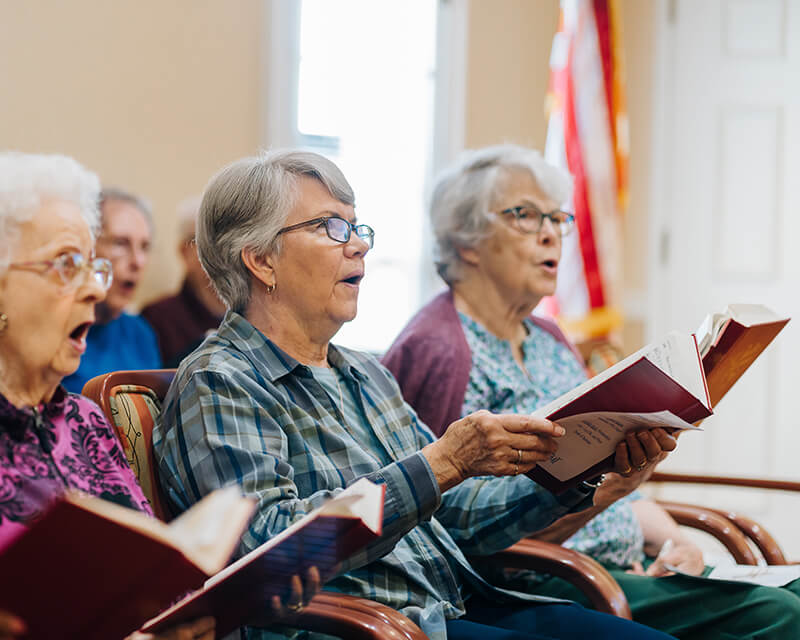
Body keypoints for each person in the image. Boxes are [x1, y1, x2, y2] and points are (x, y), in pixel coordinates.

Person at [153, 149, 679, 640]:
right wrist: (442, 463)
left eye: (356, 227)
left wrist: (584, 470)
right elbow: (266, 549)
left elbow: (460, 517)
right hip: (367, 627)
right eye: (330, 228)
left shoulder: (363, 373)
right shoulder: (220, 378)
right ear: (261, 261)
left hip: (455, 603)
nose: (358, 244)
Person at [382, 143, 800, 640]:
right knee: (778, 616)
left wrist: (672, 543)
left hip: (626, 560)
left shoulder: (549, 337)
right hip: (554, 577)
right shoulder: (439, 348)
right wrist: (612, 495)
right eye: (525, 215)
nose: (549, 233)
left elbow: (606, 479)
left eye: (557, 218)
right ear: (466, 239)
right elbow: (447, 528)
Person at [0, 152, 316, 640]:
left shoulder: (83, 420)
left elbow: (158, 582)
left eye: (92, 267)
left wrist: (240, 596)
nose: (91, 290)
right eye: (66, 265)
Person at [62, 187, 161, 393]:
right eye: (121, 243)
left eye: (144, 247)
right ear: (86, 249)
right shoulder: (56, 331)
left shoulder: (141, 333)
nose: (138, 261)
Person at [142, 196, 225, 368]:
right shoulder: (158, 318)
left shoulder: (256, 314)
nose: (224, 252)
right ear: (184, 251)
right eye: (212, 242)